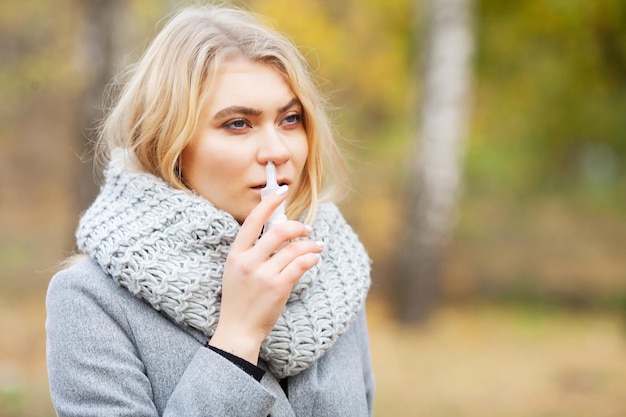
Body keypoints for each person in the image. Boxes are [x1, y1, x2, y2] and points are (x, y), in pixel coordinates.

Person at [45, 3, 373, 417]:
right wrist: (238, 336)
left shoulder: (332, 270)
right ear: (169, 143)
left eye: (290, 119)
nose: (277, 151)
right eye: (238, 123)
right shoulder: (90, 300)